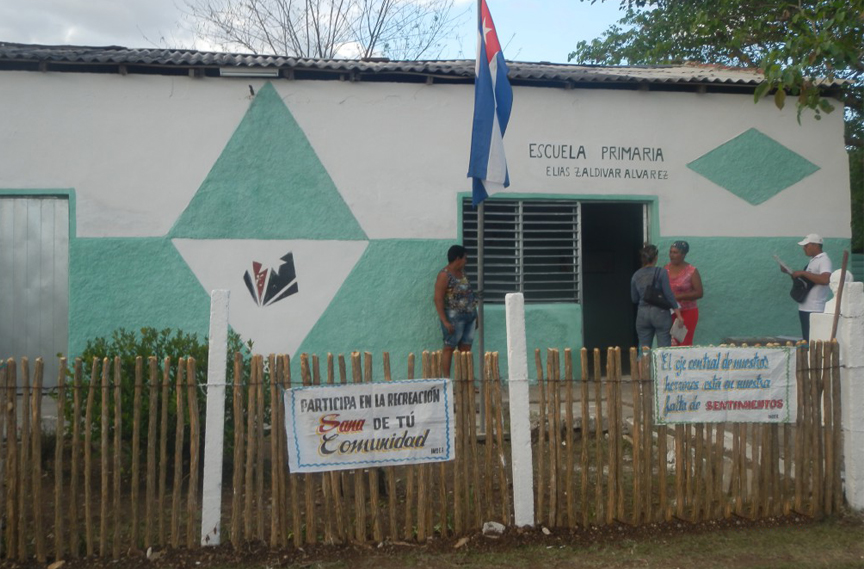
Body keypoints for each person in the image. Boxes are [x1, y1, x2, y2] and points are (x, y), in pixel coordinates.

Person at [434, 245, 478, 377]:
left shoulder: (463, 274)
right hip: (454, 318)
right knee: (449, 347)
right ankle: (447, 380)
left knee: (466, 349)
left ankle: (465, 380)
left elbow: (469, 294)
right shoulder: (444, 275)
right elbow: (438, 299)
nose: (466, 261)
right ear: (458, 258)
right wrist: (445, 321)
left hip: (469, 316)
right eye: (465, 258)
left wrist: (476, 316)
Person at [631, 244, 682, 352]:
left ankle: (643, 369)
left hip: (642, 314)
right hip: (661, 314)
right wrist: (678, 315)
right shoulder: (661, 272)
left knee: (644, 350)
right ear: (655, 258)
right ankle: (661, 369)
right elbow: (669, 294)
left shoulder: (636, 275)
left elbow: (634, 299)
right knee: (663, 350)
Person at [781, 233, 831, 341]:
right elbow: (806, 282)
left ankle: (813, 358)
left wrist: (803, 273)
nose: (804, 248)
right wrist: (790, 272)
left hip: (814, 308)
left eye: (806, 245)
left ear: (816, 245)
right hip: (805, 307)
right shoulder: (813, 261)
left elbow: (825, 279)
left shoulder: (824, 260)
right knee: (807, 339)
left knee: (812, 340)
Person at [664, 240, 703, 346]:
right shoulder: (665, 269)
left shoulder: (692, 271)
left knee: (684, 342)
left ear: (683, 254)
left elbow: (699, 293)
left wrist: (678, 297)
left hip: (687, 312)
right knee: (670, 343)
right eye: (671, 252)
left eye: (675, 252)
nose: (672, 255)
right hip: (670, 312)